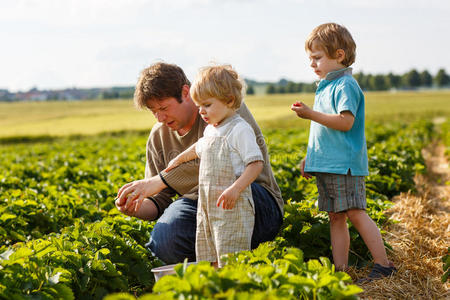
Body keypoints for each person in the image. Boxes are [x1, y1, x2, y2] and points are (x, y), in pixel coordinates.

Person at [115, 62, 283, 265]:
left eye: (164, 108)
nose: (160, 118)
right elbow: (159, 201)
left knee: (222, 205)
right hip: (199, 206)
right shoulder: (158, 136)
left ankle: (242, 265)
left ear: (185, 93)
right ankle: (211, 270)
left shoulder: (226, 109)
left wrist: (161, 180)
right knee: (165, 240)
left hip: (249, 194)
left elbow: (218, 156)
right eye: (153, 111)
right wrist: (136, 207)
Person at [291, 23, 396, 282]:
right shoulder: (325, 87)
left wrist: (310, 113)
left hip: (344, 165)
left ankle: (384, 265)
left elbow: (345, 122)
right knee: (335, 217)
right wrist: (310, 158)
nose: (312, 64)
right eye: (311, 59)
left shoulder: (345, 85)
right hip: (328, 164)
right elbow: (322, 132)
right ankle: (341, 272)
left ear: (338, 55)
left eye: (317, 58)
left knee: (355, 213)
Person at [164, 64, 263, 267]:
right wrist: (178, 159)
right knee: (210, 250)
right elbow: (198, 148)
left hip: (232, 204)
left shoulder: (239, 129)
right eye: (199, 106)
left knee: (231, 250)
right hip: (208, 204)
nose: (201, 111)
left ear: (229, 101)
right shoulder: (211, 130)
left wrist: (236, 189)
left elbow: (255, 164)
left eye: (207, 105)